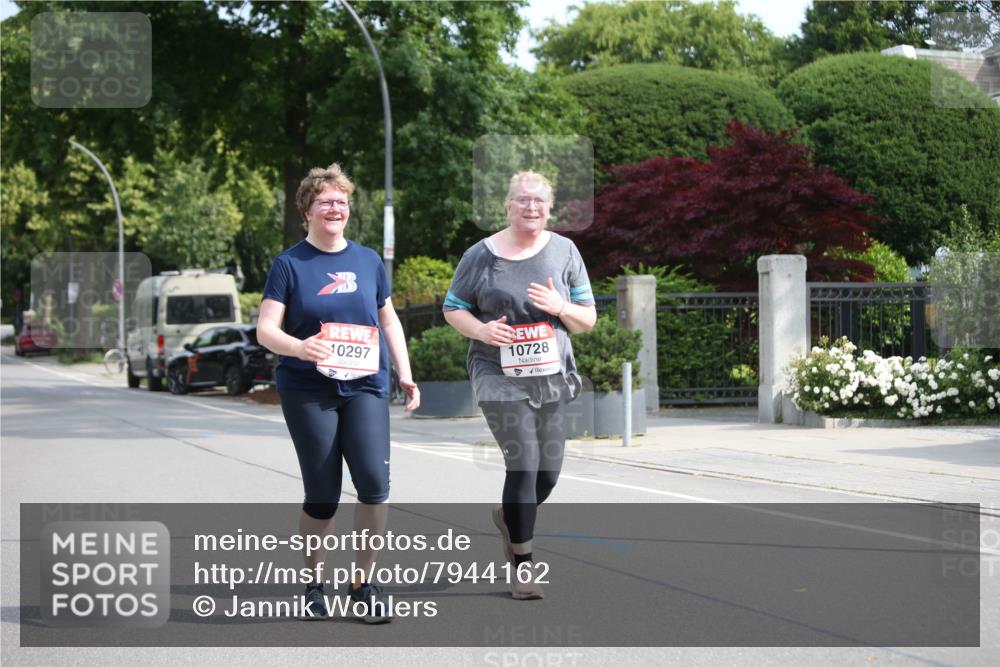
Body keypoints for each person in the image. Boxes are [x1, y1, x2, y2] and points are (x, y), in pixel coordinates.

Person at [257, 163, 419, 621]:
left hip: (366, 384)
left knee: (373, 483)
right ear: (307, 209)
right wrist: (298, 346)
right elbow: (266, 330)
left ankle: (363, 583)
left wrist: (405, 373)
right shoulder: (289, 264)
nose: (336, 208)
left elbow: (387, 319)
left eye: (342, 202)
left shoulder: (368, 260)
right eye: (326, 201)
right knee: (323, 493)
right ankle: (313, 580)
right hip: (308, 388)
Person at [443, 171, 596, 600]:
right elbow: (452, 307)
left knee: (548, 474)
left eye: (539, 202)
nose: (531, 208)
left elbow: (587, 320)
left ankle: (509, 517)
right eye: (522, 200)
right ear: (508, 206)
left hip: (550, 376)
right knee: (524, 464)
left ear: (550, 208)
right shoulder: (482, 254)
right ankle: (523, 569)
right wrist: (482, 331)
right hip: (497, 374)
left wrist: (560, 306)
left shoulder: (565, 251)